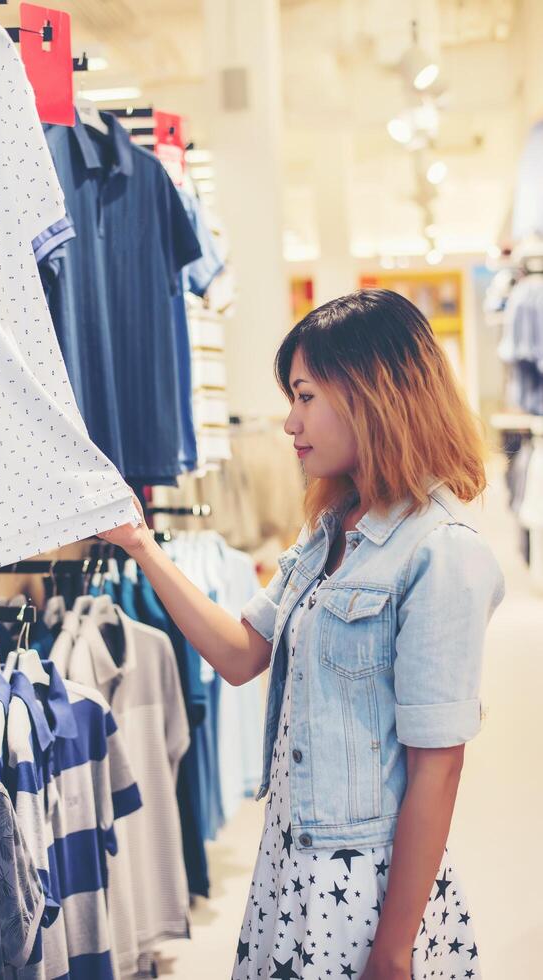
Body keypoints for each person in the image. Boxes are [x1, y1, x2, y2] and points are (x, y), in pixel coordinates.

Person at [100, 289, 504, 980]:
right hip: (291, 866)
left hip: (364, 887)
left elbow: (438, 768)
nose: (290, 422)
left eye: (305, 395)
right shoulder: (328, 535)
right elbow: (237, 655)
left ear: (374, 392)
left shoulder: (442, 553)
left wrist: (395, 947)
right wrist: (141, 546)